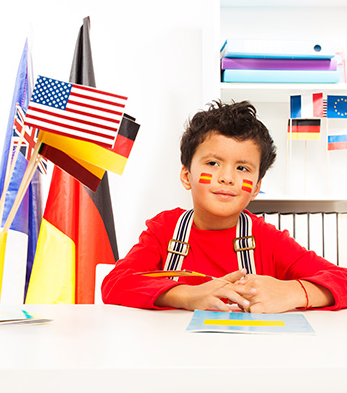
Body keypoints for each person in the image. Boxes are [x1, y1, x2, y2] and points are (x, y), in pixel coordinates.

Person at [102, 100, 347, 313]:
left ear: (255, 187)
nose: (227, 177)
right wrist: (186, 296)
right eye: (212, 163)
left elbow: (342, 279)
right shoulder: (165, 230)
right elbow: (115, 283)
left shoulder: (267, 239)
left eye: (242, 168)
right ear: (187, 175)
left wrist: (293, 292)